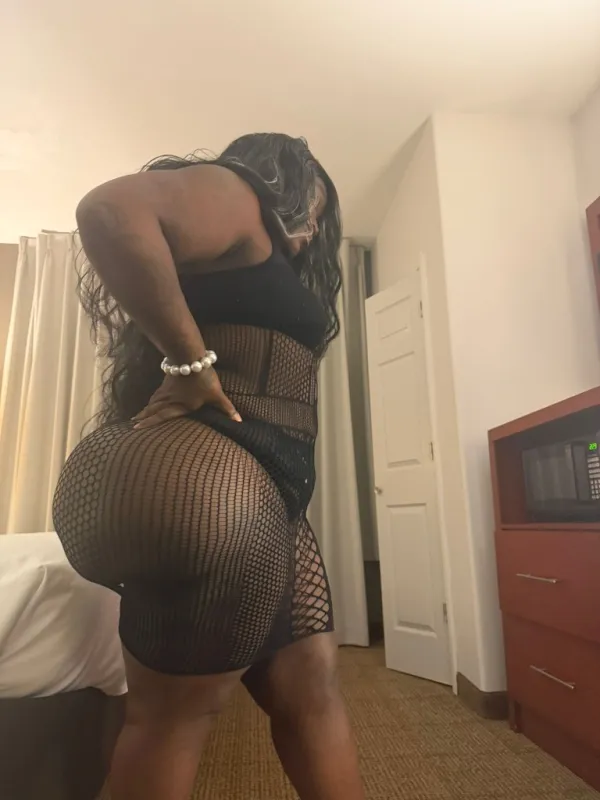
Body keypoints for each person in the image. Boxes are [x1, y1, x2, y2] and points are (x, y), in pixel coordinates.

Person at [52, 133, 365, 800]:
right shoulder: (237, 196)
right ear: (288, 184)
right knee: (172, 720)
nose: (315, 230)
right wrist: (191, 364)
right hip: (215, 475)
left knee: (309, 679)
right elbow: (108, 211)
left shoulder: (240, 250)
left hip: (244, 485)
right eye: (314, 209)